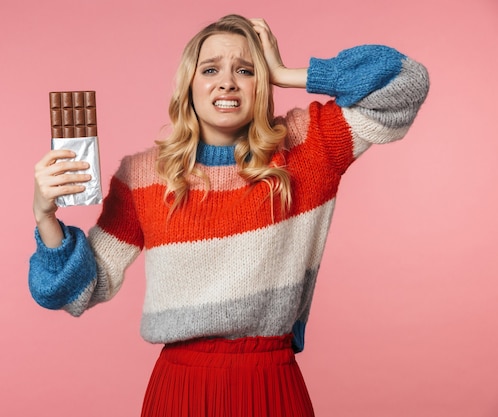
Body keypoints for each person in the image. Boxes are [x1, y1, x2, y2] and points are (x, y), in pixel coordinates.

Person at [29, 14, 429, 417]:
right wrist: (45, 217)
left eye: (245, 69)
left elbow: (406, 83)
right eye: (210, 69)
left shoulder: (308, 146)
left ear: (262, 84)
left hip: (271, 385)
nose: (227, 82)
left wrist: (287, 73)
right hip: (180, 392)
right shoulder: (143, 175)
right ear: (189, 84)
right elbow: (78, 289)